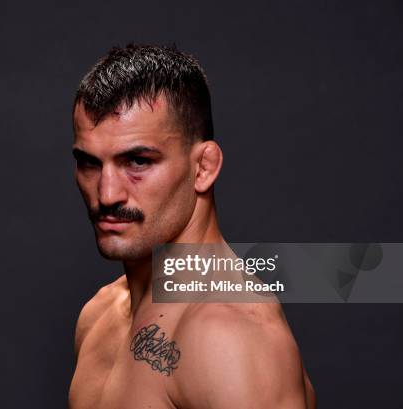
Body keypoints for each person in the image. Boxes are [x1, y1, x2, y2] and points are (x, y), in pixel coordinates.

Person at [68, 44, 315, 409]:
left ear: (203, 168)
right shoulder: (100, 313)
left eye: (137, 161)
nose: (106, 194)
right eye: (89, 163)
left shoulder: (229, 336)